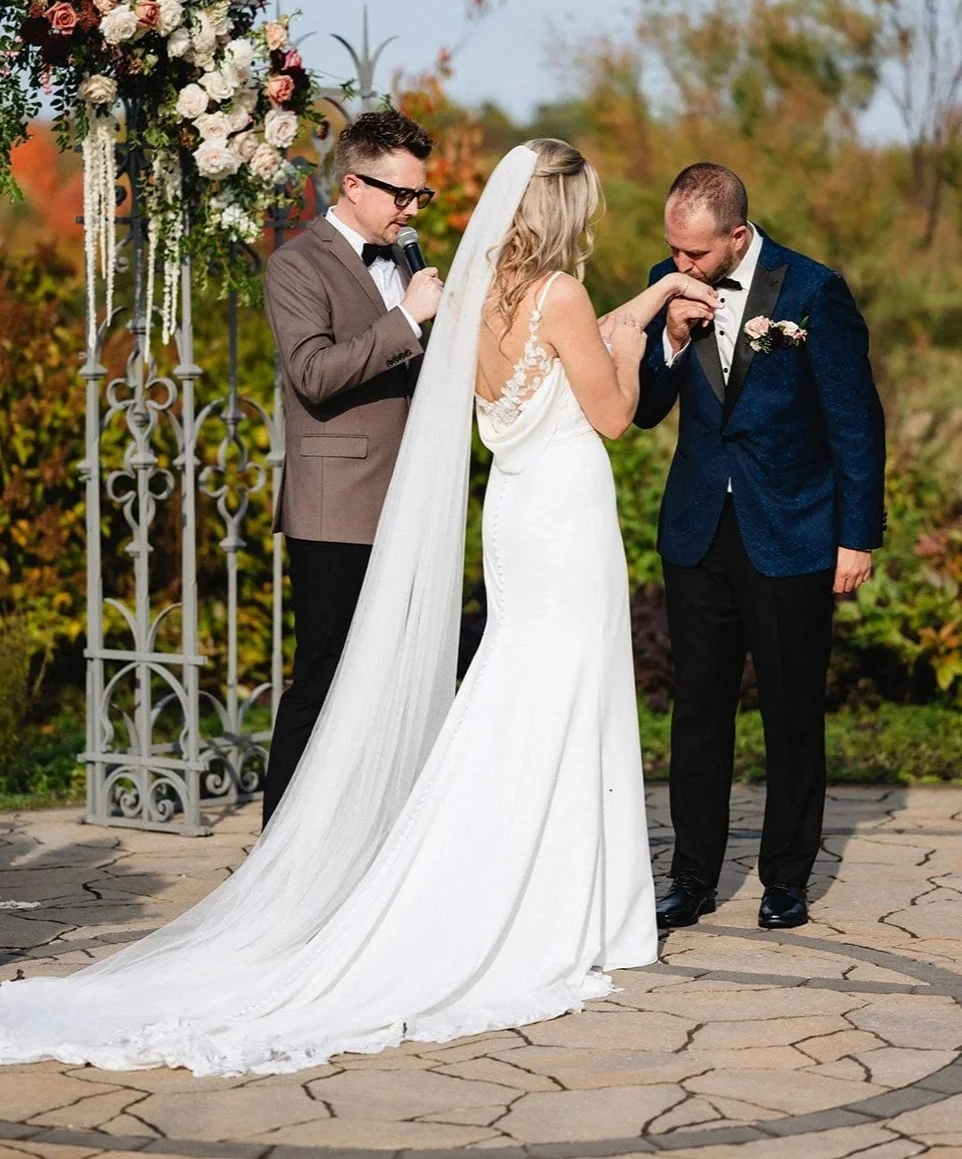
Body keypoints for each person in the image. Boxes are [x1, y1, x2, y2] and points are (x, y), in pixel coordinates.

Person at [0, 141, 711, 1078]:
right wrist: (650, 337)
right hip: (565, 514)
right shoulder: (549, 294)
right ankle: (561, 899)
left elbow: (534, 356)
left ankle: (505, 874)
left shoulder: (470, 288)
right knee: (559, 689)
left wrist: (648, 302)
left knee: (517, 687)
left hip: (515, 511)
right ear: (568, 214)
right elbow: (614, 413)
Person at [633, 162, 885, 931]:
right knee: (699, 712)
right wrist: (671, 339)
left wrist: (856, 535)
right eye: (673, 250)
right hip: (699, 530)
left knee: (791, 710)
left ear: (738, 236)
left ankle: (784, 878)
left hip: (795, 531)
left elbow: (857, 422)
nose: (681, 265)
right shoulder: (665, 285)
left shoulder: (812, 290)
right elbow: (645, 407)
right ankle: (693, 877)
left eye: (696, 254)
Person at [262, 109, 443, 824]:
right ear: (351, 183)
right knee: (323, 680)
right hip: (336, 507)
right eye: (400, 194)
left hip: (408, 501)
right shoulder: (295, 264)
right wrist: (407, 322)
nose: (411, 209)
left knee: (391, 685)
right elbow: (313, 374)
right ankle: (277, 852)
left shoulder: (405, 257)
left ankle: (358, 839)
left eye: (419, 195)